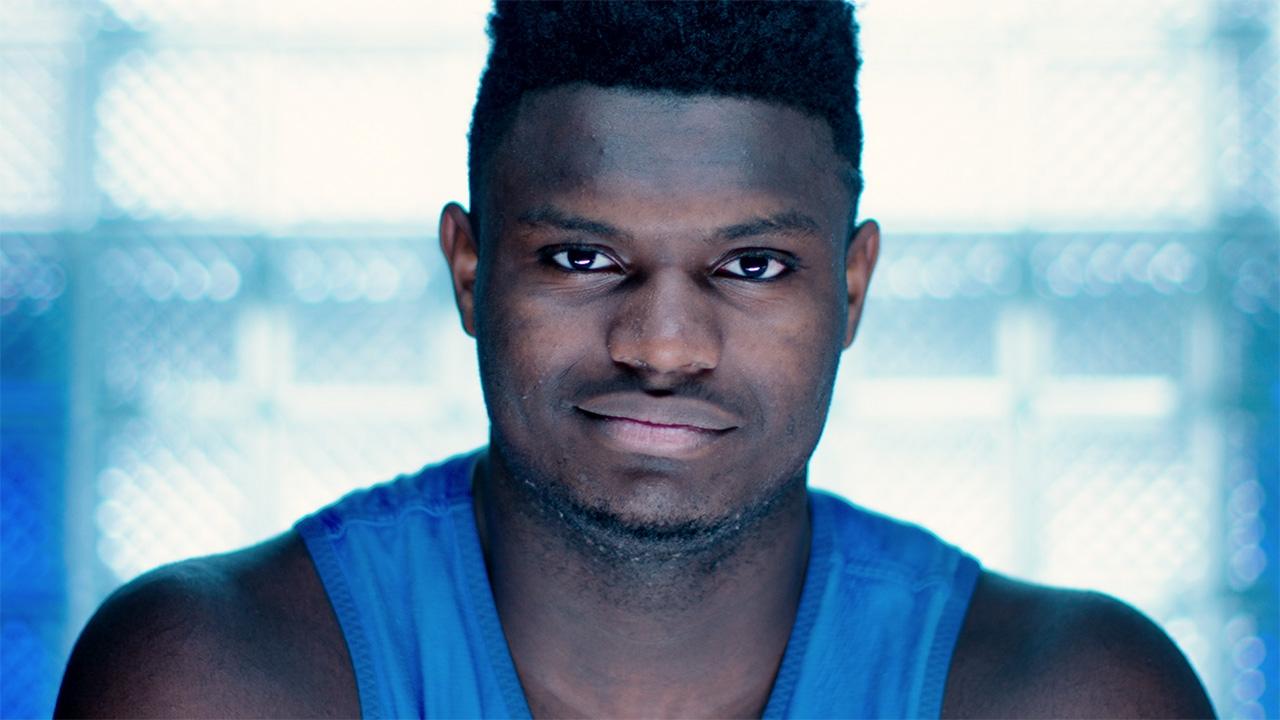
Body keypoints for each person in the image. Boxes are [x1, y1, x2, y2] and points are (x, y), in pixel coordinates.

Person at [56, 2, 1215, 717]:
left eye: (751, 266)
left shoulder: (1068, 695)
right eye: (581, 257)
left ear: (851, 288)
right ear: (469, 270)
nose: (661, 346)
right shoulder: (221, 679)